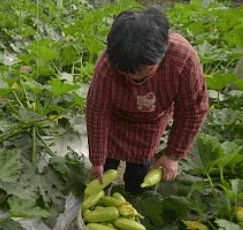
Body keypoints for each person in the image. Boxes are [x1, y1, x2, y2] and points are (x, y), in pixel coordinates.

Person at [86, 7, 208, 194]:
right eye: (125, 71)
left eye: (141, 70)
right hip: (115, 121)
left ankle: (135, 197)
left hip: (150, 124)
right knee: (105, 169)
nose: (133, 77)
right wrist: (97, 160)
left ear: (162, 54)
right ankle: (103, 194)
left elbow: (193, 110)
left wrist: (172, 155)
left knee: (139, 175)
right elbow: (97, 111)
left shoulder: (182, 58)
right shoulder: (107, 64)